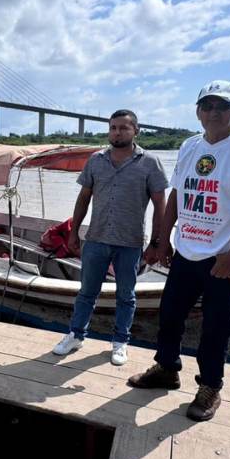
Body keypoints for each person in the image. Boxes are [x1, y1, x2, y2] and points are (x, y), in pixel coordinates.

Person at [129, 80, 230, 422]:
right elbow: (178, 196)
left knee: (215, 328)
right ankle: (166, 368)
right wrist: (163, 240)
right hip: (186, 253)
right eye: (207, 106)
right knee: (169, 316)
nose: (213, 113)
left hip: (223, 259)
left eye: (222, 107)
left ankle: (210, 387)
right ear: (198, 112)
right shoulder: (190, 146)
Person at [52, 109, 169, 366]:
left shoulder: (150, 162)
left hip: (130, 243)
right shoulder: (96, 160)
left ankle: (120, 342)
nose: (117, 132)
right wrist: (74, 232)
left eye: (124, 128)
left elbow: (160, 205)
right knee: (86, 292)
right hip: (96, 239)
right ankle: (76, 335)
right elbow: (84, 198)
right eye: (113, 127)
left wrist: (156, 243)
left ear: (136, 131)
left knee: (126, 296)